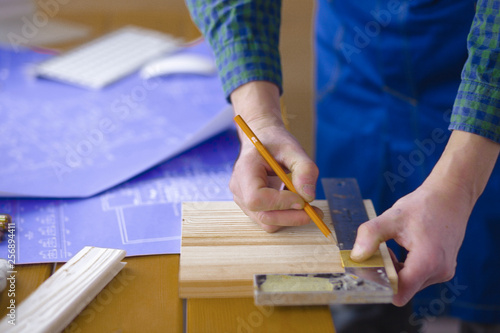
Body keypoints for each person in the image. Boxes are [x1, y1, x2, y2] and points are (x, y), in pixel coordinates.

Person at [186, 0, 500, 332]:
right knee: (355, 287)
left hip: (478, 61)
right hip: (355, 50)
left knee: (474, 284)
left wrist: (459, 185)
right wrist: (259, 122)